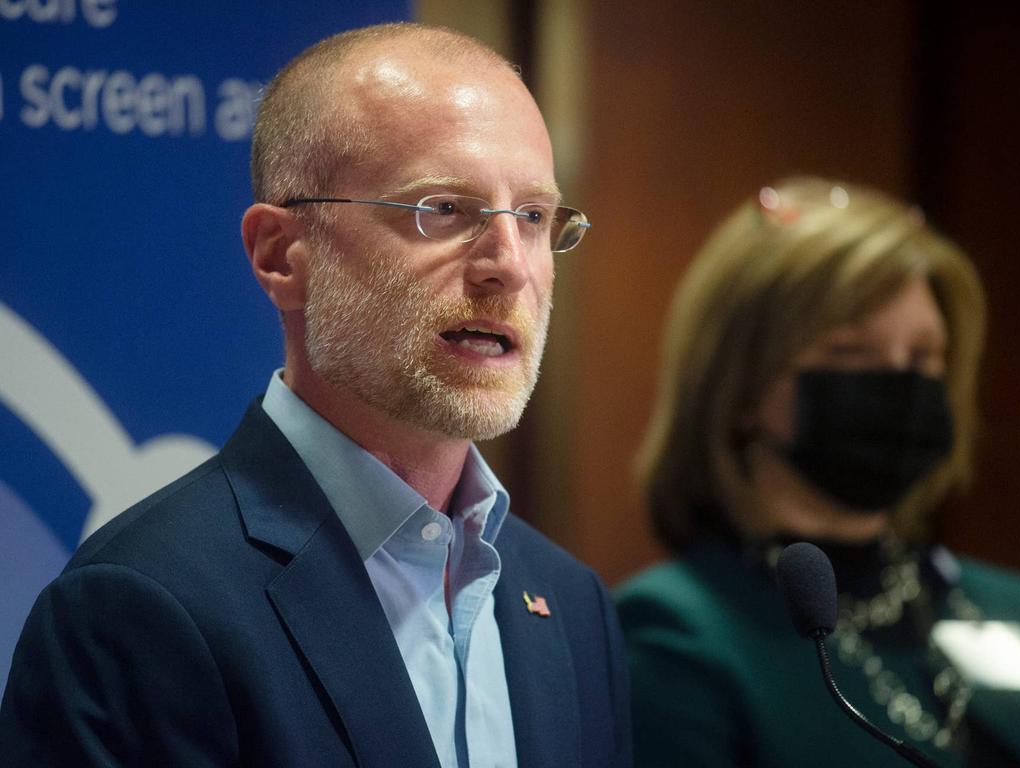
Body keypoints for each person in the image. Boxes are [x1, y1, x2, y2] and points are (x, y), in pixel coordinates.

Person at [0, 23, 630, 768]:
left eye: (531, 217)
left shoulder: (571, 602)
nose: (508, 266)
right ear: (281, 256)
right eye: (444, 210)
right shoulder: (136, 607)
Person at [616, 177, 1020, 767]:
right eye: (851, 354)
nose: (900, 385)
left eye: (922, 358)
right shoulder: (675, 635)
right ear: (742, 386)